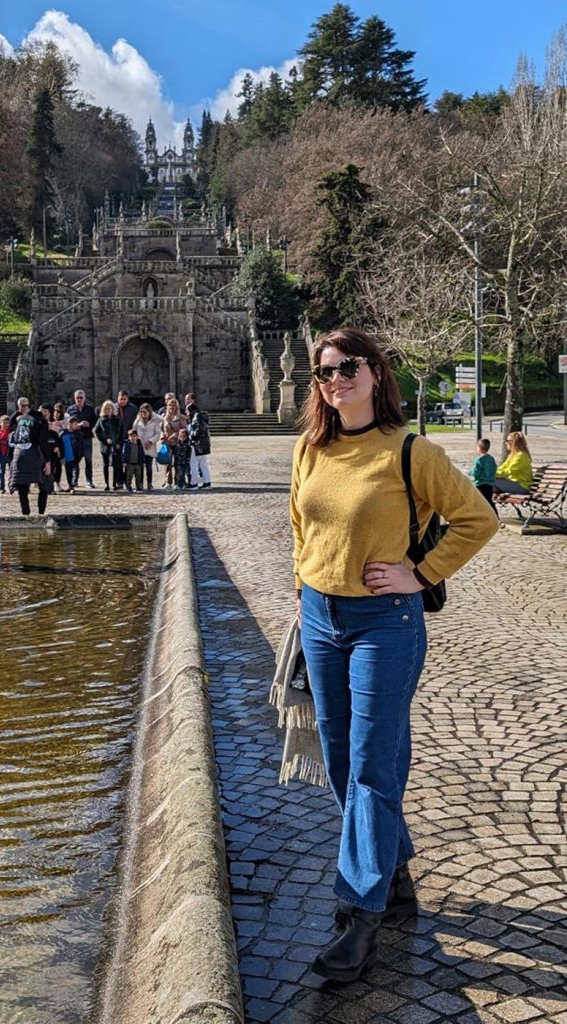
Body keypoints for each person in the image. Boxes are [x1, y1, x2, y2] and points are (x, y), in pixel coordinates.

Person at [290, 328, 498, 983]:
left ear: (375, 374)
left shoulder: (409, 452)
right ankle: (394, 871)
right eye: (325, 371)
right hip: (321, 619)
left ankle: (358, 914)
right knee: (343, 758)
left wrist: (421, 571)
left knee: (373, 768)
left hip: (385, 622)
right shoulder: (308, 447)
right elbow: (300, 525)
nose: (336, 379)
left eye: (348, 367)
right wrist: (307, 583)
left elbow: (476, 518)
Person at [9, 401, 53, 516]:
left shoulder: (21, 419)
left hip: (18, 455)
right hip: (34, 455)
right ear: (45, 414)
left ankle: (25, 514)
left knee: (22, 486)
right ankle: (41, 513)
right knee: (44, 484)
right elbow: (43, 443)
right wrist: (48, 461)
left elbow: (11, 426)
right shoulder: (41, 421)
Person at [66, 390, 97, 488]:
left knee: (88, 460)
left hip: (87, 437)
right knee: (75, 460)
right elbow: (67, 424)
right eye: (77, 398)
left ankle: (89, 481)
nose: (79, 399)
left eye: (81, 397)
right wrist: (77, 425)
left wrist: (89, 424)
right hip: (75, 438)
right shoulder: (70, 410)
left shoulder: (90, 409)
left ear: (84, 398)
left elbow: (96, 422)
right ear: (75, 398)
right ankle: (75, 481)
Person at [93, 400, 124, 490]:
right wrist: (105, 440)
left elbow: (122, 432)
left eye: (109, 408)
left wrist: (119, 443)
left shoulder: (118, 419)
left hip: (116, 445)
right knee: (105, 465)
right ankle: (106, 484)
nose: (108, 410)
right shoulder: (101, 419)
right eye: (106, 408)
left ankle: (115, 483)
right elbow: (96, 431)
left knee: (116, 465)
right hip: (105, 446)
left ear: (112, 409)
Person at [493, 431, 533, 497]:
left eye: (507, 441)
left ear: (514, 442)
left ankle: (490, 503)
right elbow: (503, 467)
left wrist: (491, 474)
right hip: (514, 483)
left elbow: (509, 471)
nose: (506, 443)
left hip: (522, 486)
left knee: (490, 482)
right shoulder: (513, 455)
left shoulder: (521, 456)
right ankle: (491, 502)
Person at [134, 403, 162, 490]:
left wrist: (150, 441)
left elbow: (158, 433)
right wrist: (138, 419)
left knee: (149, 467)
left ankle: (149, 483)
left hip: (150, 446)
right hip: (140, 446)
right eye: (141, 412)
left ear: (149, 412)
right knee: (140, 467)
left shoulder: (155, 421)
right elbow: (134, 429)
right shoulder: (139, 420)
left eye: (145, 412)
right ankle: (140, 483)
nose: (143, 414)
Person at [160, 397, 187, 488]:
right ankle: (168, 482)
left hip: (178, 443)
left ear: (177, 407)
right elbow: (161, 429)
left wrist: (175, 435)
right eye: (170, 405)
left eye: (174, 405)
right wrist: (162, 436)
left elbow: (184, 430)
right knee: (167, 463)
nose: (172, 407)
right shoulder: (164, 417)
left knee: (177, 463)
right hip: (167, 443)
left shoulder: (181, 417)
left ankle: (178, 482)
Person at [186, 397, 212, 488]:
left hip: (197, 443)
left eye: (187, 410)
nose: (186, 413)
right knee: (203, 463)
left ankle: (194, 483)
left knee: (193, 463)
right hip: (202, 444)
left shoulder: (196, 417)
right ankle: (207, 482)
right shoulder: (201, 416)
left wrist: (190, 434)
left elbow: (199, 430)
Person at [468, 437, 498, 510]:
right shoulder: (491, 458)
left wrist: (470, 472)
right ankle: (495, 516)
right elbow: (494, 468)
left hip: (480, 484)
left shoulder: (479, 460)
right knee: (488, 501)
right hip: (490, 484)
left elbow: (476, 472)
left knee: (479, 501)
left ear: (479, 449)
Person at [61, 417, 82, 492]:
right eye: (75, 424)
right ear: (69, 424)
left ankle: (73, 486)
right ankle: (70, 485)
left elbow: (80, 445)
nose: (76, 426)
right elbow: (60, 444)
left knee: (74, 472)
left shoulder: (78, 434)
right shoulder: (63, 433)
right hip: (67, 457)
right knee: (68, 472)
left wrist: (80, 455)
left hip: (75, 457)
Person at [0, 414, 12, 494]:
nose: (5, 425)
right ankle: (1, 487)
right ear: (0, 423)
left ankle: (12, 486)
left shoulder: (11, 432)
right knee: (1, 472)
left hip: (10, 455)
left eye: (7, 423)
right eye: (3, 423)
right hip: (1, 455)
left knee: (12, 471)